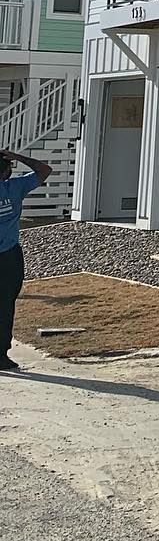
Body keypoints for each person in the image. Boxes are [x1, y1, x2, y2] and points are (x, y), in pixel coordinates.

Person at [0, 149, 51, 374]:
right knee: (5, 306)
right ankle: (0, 355)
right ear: (6, 171)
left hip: (9, 254)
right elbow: (44, 170)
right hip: (9, 255)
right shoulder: (14, 187)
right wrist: (18, 157)